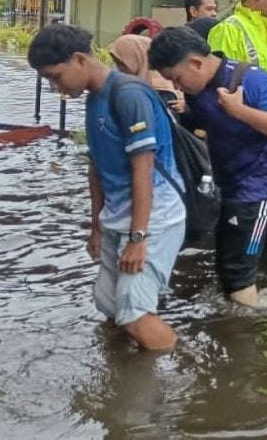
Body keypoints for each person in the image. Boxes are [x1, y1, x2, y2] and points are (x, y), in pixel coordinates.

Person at [27, 24, 185, 350]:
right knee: (109, 305)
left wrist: (138, 239)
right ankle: (121, 378)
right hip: (118, 216)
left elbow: (143, 169)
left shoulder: (129, 95)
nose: (56, 87)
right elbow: (97, 167)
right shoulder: (93, 100)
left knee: (135, 316)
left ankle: (183, 376)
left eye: (56, 76)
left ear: (79, 59)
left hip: (154, 218)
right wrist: (95, 227)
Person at [148, 27, 267, 307]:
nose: (178, 87)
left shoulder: (250, 81)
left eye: (177, 79)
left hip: (261, 188)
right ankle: (257, 306)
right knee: (227, 261)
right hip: (229, 184)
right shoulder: (199, 88)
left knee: (238, 270)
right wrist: (188, 113)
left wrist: (239, 110)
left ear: (195, 63)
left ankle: (247, 336)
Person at [109, 34, 185, 116]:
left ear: (138, 58)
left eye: (122, 63)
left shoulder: (162, 91)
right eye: (116, 63)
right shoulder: (134, 84)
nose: (118, 68)